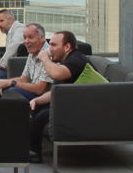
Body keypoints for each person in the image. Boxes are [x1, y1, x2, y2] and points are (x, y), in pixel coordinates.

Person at [24, 31, 91, 163]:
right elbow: (57, 91)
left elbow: (56, 74)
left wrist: (44, 59)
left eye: (54, 45)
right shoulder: (67, 62)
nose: (50, 49)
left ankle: (34, 152)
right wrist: (36, 100)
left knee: (44, 114)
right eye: (50, 45)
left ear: (67, 47)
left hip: (88, 109)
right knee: (34, 108)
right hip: (74, 103)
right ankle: (28, 148)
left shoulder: (76, 60)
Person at [0, 23, 52, 102]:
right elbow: (24, 79)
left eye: (31, 37)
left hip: (42, 97)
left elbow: (40, 89)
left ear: (42, 38)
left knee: (12, 92)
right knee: (1, 88)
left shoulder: (49, 56)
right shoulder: (32, 53)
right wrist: (5, 82)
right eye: (24, 38)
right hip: (33, 91)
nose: (26, 41)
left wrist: (12, 82)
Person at [0, 9, 26, 82]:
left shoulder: (20, 28)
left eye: (2, 21)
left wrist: (2, 64)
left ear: (10, 20)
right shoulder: (9, 33)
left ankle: (1, 88)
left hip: (21, 68)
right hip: (13, 64)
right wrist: (1, 61)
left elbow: (15, 44)